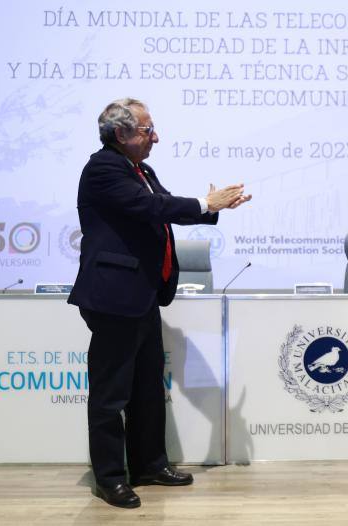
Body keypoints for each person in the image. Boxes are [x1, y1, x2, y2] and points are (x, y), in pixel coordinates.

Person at [68, 98, 251, 508]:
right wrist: (207, 204)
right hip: (114, 296)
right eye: (148, 130)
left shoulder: (141, 169)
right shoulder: (103, 168)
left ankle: (149, 463)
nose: (156, 136)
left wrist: (211, 206)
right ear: (122, 134)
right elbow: (151, 208)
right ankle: (111, 477)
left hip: (142, 296)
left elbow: (166, 204)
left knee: (148, 387)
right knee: (111, 394)